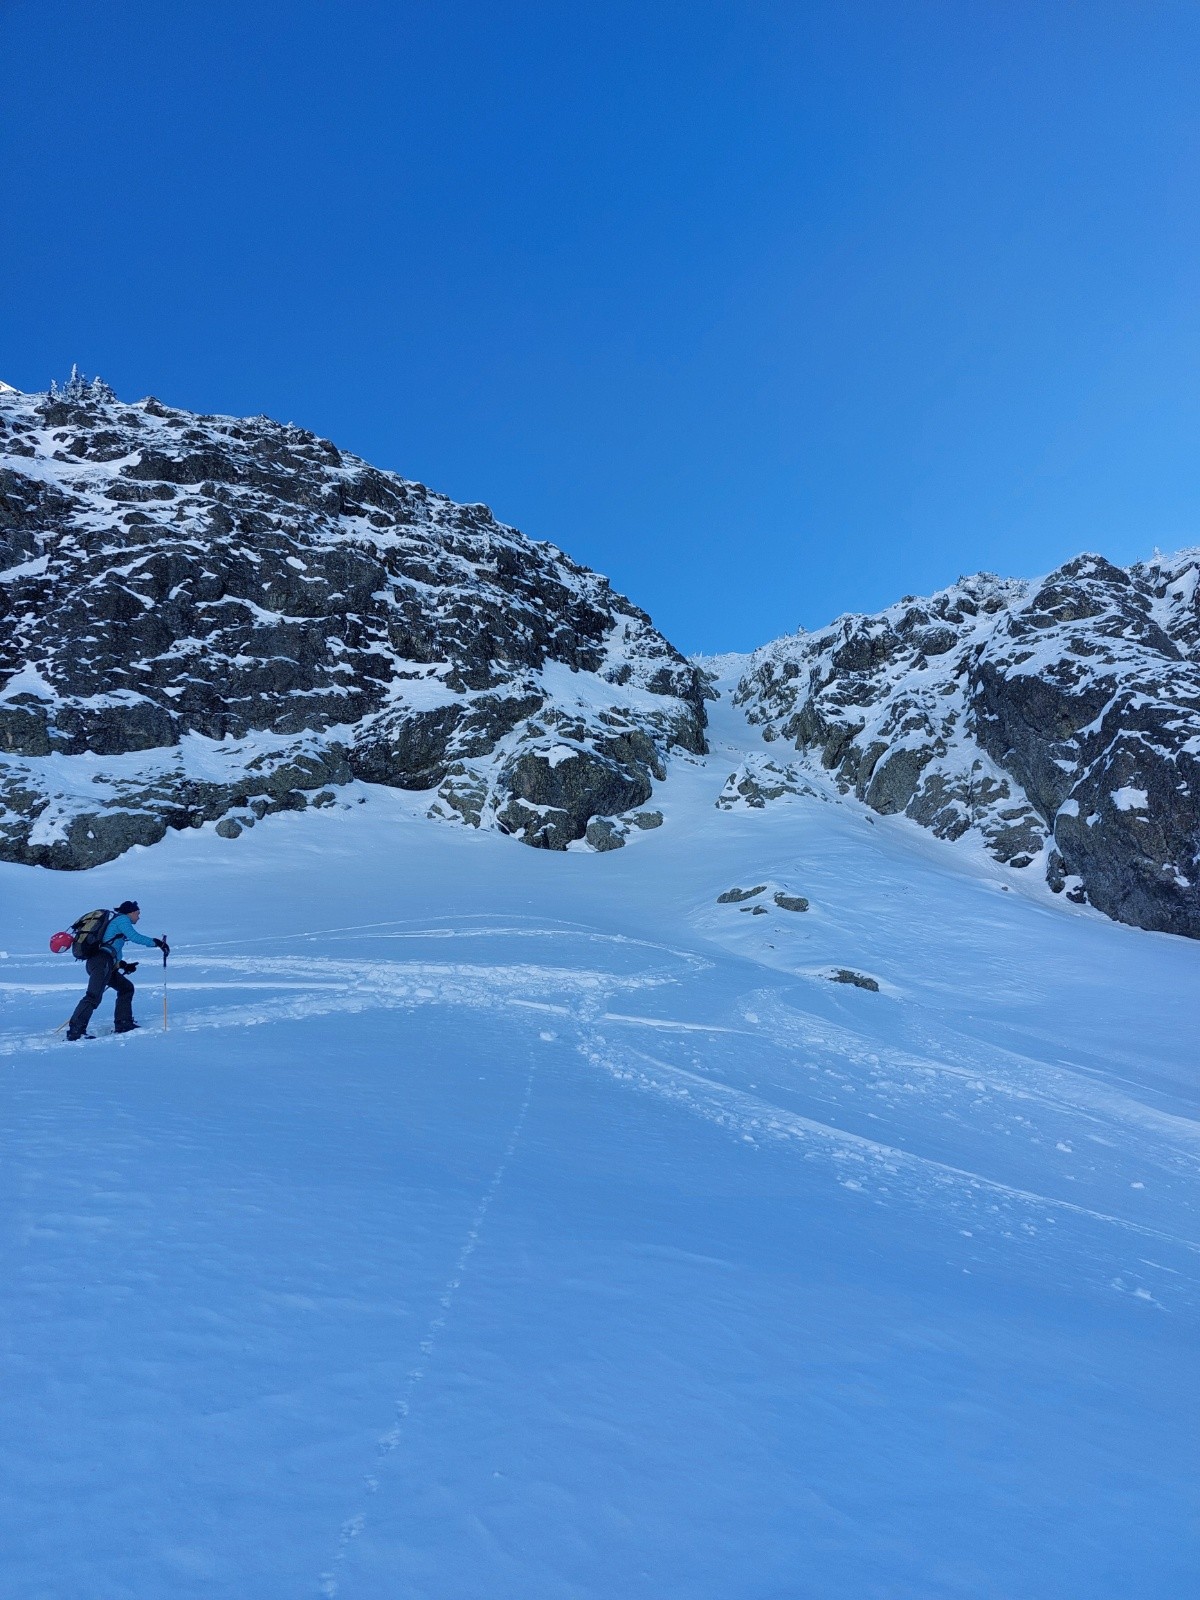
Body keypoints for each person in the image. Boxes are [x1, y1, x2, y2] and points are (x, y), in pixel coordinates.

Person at [66, 900, 167, 1041]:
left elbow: (111, 949)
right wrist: (157, 943)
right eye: (137, 913)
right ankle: (76, 1031)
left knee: (126, 988)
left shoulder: (117, 923)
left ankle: (123, 1023)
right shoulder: (122, 919)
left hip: (103, 963)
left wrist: (123, 965)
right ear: (130, 912)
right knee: (93, 996)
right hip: (101, 962)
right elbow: (134, 937)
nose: (139, 917)